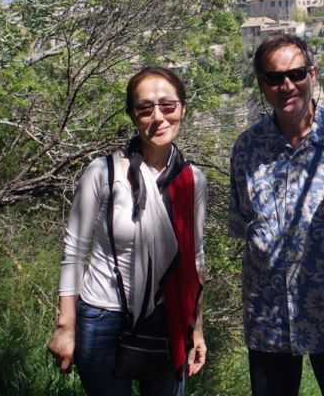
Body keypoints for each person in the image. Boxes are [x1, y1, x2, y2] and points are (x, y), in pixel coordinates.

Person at [229, 32, 324, 396]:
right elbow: (244, 223)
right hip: (270, 319)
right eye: (274, 77)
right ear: (262, 84)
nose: (287, 85)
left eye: (296, 74)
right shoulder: (248, 147)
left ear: (313, 74)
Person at [48, 67, 207, 396]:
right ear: (133, 116)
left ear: (182, 109)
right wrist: (66, 326)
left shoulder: (193, 180)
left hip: (168, 318)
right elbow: (74, 251)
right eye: (145, 108)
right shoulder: (103, 172)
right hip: (102, 317)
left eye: (168, 105)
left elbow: (195, 260)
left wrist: (197, 329)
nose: (158, 117)